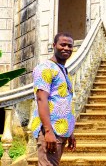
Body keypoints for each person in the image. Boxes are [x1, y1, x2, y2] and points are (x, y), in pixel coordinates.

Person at [31, 33, 76, 166]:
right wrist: (48, 131)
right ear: (54, 45)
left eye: (69, 45)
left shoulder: (62, 70)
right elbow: (41, 99)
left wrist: (71, 132)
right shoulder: (45, 68)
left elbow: (63, 102)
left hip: (62, 130)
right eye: (63, 44)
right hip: (50, 130)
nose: (66, 48)